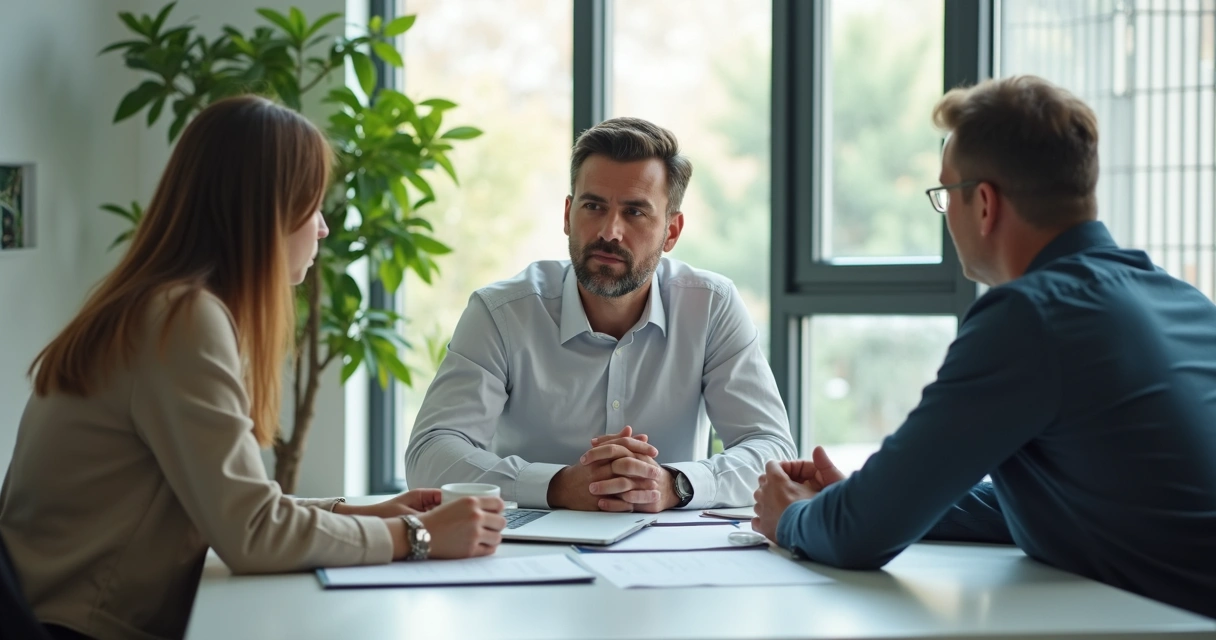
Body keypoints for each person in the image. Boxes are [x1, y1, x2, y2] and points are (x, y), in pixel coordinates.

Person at [0, 95, 505, 640]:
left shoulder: (157, 306)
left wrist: (371, 514)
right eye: (312, 207)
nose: (323, 229)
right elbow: (252, 533)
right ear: (265, 214)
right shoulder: (182, 320)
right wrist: (419, 535)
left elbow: (239, 506)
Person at [751, 75, 1216, 619]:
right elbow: (1076, 500)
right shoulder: (1183, 300)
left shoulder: (1032, 316)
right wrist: (873, 496)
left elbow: (859, 537)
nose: (946, 213)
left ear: (985, 204)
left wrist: (789, 517)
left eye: (946, 193)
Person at [406, 117, 795, 512]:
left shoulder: (710, 307)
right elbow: (429, 454)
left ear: (672, 231)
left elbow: (772, 450)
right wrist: (554, 486)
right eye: (593, 206)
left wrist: (672, 484)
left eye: (635, 213)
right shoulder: (501, 313)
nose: (610, 232)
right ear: (567, 214)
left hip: (668, 547)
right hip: (526, 550)